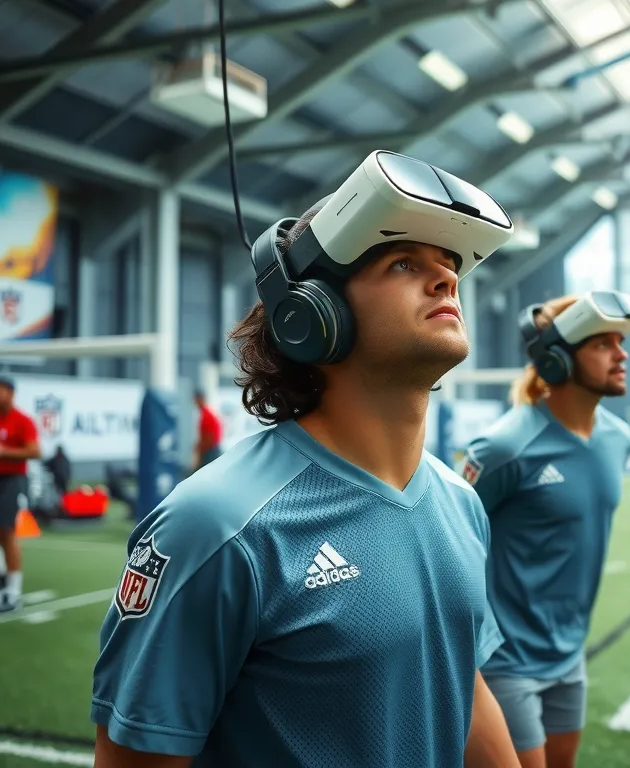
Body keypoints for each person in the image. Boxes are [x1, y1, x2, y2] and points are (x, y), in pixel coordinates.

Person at [90, 151, 521, 767]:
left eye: (450, 265)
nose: (446, 279)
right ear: (313, 316)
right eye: (404, 262)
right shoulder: (215, 525)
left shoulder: (463, 504)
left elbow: (462, 686)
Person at [461, 291, 630, 768]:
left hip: (569, 653)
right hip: (505, 661)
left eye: (621, 342)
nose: (622, 354)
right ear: (557, 359)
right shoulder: (504, 447)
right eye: (603, 344)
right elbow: (449, 539)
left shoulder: (619, 440)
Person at [0, 374, 41, 614]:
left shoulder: (22, 420)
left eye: (1, 390)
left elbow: (35, 451)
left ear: (11, 393)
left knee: (6, 530)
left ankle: (13, 592)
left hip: (12, 479)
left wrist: (4, 451)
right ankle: (1, 579)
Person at [192, 390, 224, 470]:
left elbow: (208, 437)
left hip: (210, 450)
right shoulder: (206, 413)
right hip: (211, 448)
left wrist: (200, 449)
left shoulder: (206, 415)